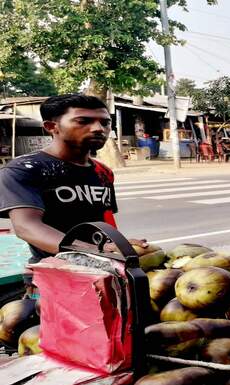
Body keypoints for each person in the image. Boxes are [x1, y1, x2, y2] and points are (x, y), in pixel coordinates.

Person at [0, 94, 147, 293]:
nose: (98, 128)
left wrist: (120, 246)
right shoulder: (26, 168)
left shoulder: (103, 172)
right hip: (53, 277)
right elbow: (27, 227)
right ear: (52, 127)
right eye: (83, 121)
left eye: (105, 122)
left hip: (102, 272)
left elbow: (105, 221)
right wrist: (97, 252)